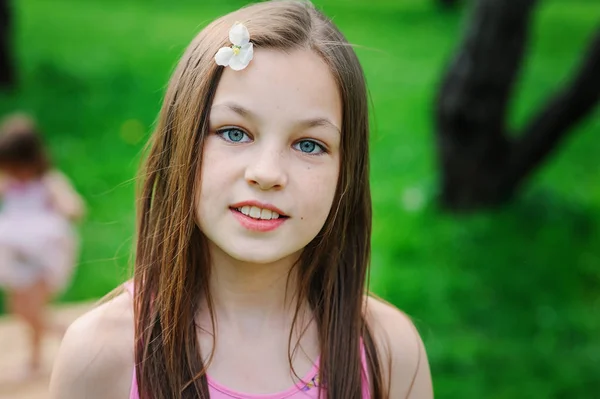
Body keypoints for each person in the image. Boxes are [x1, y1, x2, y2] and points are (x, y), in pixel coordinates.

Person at [49, 1, 433, 398]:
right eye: (235, 132)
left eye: (308, 144)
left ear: (346, 171)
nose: (266, 173)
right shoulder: (102, 355)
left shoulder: (389, 353)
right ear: (179, 144)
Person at [0, 113, 85, 380]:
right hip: (17, 257)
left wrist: (62, 209)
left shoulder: (48, 182)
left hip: (42, 257)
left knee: (34, 308)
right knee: (19, 310)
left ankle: (37, 359)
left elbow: (75, 208)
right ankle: (64, 333)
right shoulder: (9, 183)